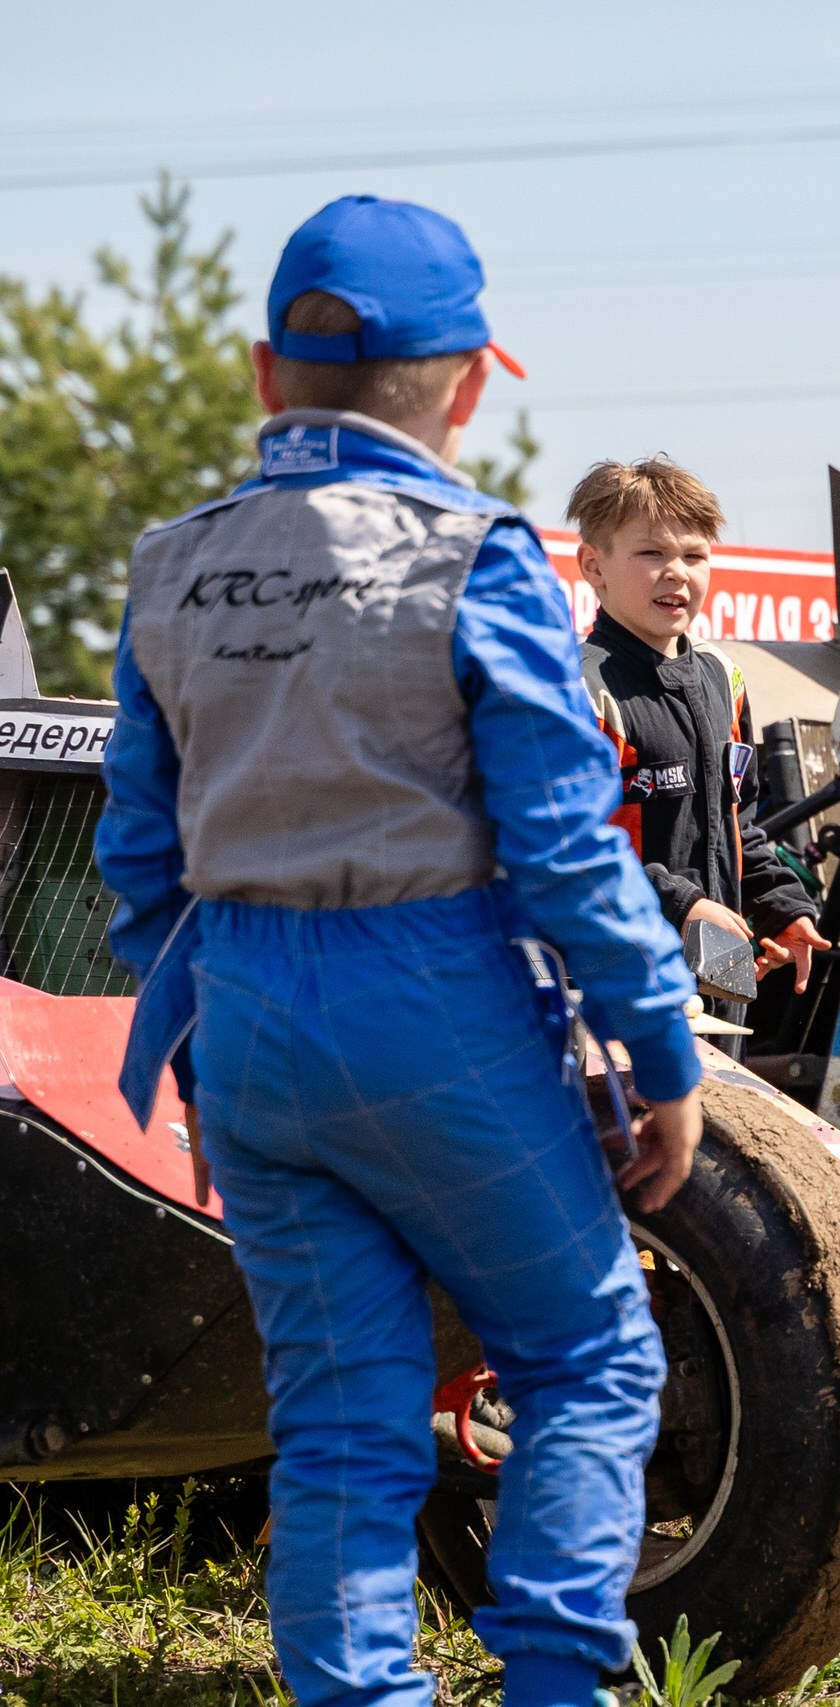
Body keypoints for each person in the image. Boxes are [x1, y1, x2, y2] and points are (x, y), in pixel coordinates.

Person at [95, 195, 703, 1707]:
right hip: (434, 1001)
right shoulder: (473, 556)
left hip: (240, 1013)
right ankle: (558, 1687)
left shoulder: (170, 568)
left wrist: (197, 1019)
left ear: (261, 374)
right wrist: (664, 1050)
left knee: (343, 1423)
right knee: (589, 1361)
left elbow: (135, 850)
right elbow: (568, 846)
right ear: (472, 384)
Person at [565, 457, 828, 1001]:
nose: (677, 572)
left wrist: (778, 906)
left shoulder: (722, 676)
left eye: (694, 555)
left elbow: (738, 823)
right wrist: (681, 904)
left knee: (723, 1090)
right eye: (651, 553)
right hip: (612, 979)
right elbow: (565, 848)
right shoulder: (576, 687)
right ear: (593, 566)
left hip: (718, 971)